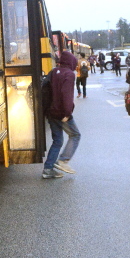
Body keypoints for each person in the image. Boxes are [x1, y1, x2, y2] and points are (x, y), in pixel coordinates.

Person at [42, 50, 82, 179]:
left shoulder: (54, 72)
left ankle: (48, 169)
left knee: (57, 140)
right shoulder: (69, 74)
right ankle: (63, 161)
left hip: (50, 111)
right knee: (75, 135)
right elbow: (67, 95)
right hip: (61, 112)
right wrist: (67, 113)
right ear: (71, 62)